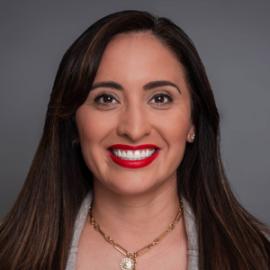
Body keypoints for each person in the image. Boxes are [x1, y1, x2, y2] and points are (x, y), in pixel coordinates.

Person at [0, 10, 269, 270]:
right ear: (72, 125)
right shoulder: (7, 254)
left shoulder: (261, 255)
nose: (134, 129)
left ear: (193, 122)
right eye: (106, 99)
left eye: (160, 98)